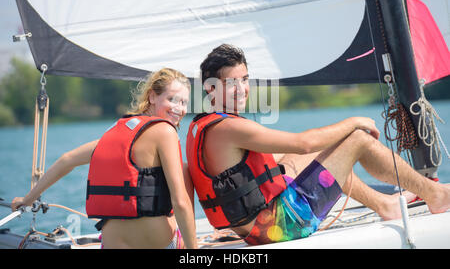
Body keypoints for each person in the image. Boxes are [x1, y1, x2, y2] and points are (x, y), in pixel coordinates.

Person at [186, 44, 450, 246]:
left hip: (256, 227)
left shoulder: (202, 126)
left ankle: (384, 204)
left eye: (244, 79)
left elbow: (294, 151)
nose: (242, 88)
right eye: (232, 83)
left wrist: (324, 147)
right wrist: (353, 122)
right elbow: (304, 143)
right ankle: (435, 195)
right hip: (279, 226)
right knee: (356, 139)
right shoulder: (231, 127)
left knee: (323, 154)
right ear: (211, 89)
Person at [12, 68, 198, 249]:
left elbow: (67, 159)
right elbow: (180, 202)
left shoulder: (119, 132)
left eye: (184, 103)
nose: (179, 109)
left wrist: (28, 199)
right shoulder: (165, 131)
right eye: (172, 99)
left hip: (112, 244)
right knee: (184, 170)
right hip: (157, 244)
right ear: (151, 97)